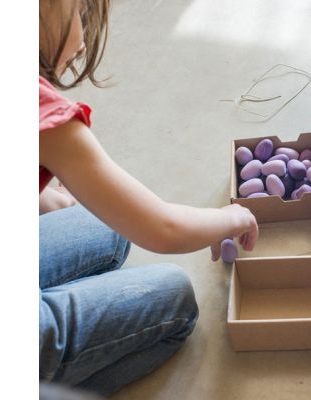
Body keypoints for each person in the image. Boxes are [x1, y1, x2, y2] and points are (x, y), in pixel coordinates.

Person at [38, 0, 259, 395]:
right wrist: (234, 217)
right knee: (174, 300)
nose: (85, 39)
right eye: (78, 13)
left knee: (104, 222)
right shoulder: (44, 115)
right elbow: (164, 228)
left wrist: (44, 201)